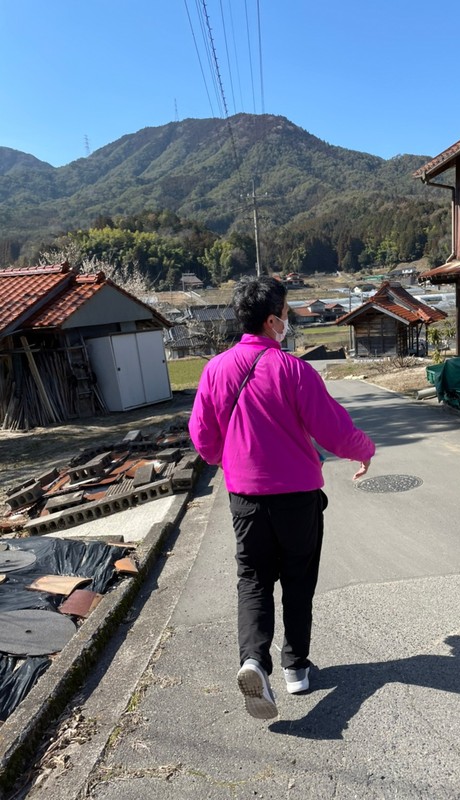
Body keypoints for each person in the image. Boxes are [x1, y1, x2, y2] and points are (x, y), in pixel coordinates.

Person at [188, 276, 375, 720]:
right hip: (297, 497)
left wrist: (225, 458)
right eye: (287, 313)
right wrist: (363, 450)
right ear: (272, 321)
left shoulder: (215, 369)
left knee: (253, 579)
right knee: (298, 578)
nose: (288, 320)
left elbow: (202, 436)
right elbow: (333, 428)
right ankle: (295, 668)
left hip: (245, 497)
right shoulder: (293, 370)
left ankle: (254, 661)